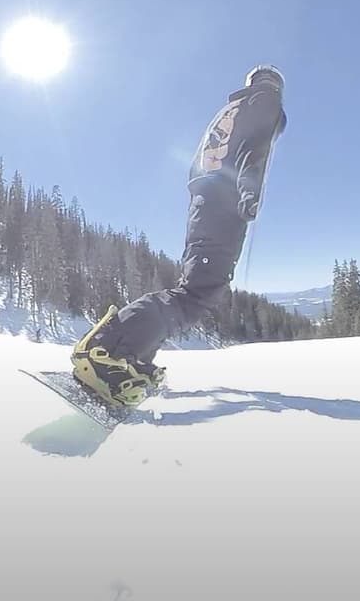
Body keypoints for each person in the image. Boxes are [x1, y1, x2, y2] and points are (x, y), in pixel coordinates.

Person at [70, 65, 288, 407]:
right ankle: (106, 352)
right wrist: (248, 191)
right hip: (223, 201)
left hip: (205, 198)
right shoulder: (265, 101)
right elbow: (255, 148)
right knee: (197, 294)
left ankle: (131, 360)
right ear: (273, 85)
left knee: (194, 289)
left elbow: (202, 162)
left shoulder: (229, 110)